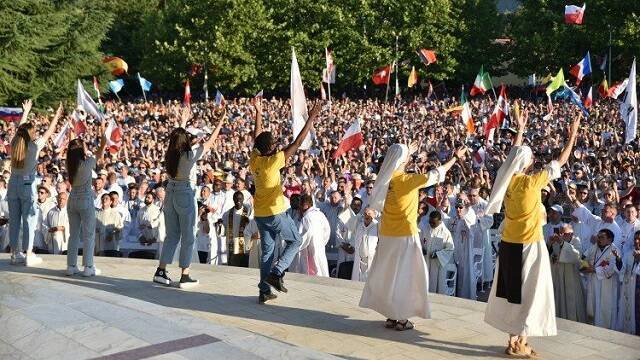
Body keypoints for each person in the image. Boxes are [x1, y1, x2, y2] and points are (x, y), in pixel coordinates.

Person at [483, 111, 579, 357]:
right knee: (531, 294)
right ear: (527, 163)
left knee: (512, 295)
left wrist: (520, 129)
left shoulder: (506, 182)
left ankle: (512, 339)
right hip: (530, 246)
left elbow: (510, 161)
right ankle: (521, 342)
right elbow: (562, 160)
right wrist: (573, 134)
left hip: (508, 245)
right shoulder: (531, 182)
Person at [360, 142, 465, 331]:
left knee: (389, 277)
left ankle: (392, 316)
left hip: (387, 236)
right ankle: (401, 319)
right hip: (405, 236)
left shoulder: (385, 180)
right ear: (403, 160)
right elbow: (436, 174)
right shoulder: (407, 180)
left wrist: (407, 154)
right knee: (407, 278)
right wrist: (455, 158)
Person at [249, 99, 319, 303]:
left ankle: (263, 290)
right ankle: (277, 272)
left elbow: (256, 137)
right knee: (295, 240)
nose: (276, 144)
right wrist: (312, 117)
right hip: (275, 212)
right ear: (270, 147)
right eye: (273, 143)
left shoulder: (255, 160)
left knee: (268, 251)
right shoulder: (273, 161)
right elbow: (297, 143)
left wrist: (258, 112)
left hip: (260, 214)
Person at [153, 106, 225, 288]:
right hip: (185, 193)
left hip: (170, 193)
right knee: (188, 236)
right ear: (185, 140)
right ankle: (185, 274)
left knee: (172, 235)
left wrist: (183, 122)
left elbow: (176, 138)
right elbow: (210, 142)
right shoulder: (188, 155)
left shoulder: (170, 154)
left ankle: (161, 271)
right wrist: (221, 121)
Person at [7, 101, 61, 265]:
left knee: (15, 220)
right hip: (26, 185)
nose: (36, 133)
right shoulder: (34, 146)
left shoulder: (15, 143)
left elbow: (19, 130)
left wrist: (26, 112)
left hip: (12, 183)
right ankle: (29, 253)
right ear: (30, 133)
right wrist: (57, 115)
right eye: (34, 131)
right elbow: (50, 131)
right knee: (29, 220)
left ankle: (15, 253)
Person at [66, 130, 107, 276]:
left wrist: (73, 137)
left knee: (74, 234)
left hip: (72, 200)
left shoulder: (69, 164)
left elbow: (72, 149)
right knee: (88, 234)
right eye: (84, 146)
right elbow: (100, 151)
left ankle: (71, 266)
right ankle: (88, 267)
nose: (86, 148)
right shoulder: (87, 163)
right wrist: (103, 141)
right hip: (85, 199)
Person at [582, 229, 622, 330]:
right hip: (593, 283)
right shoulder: (594, 247)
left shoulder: (615, 250)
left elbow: (612, 269)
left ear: (610, 239)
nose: (598, 239)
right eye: (598, 237)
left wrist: (594, 269)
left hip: (607, 285)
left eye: (602, 237)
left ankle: (606, 329)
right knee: (594, 306)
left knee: (605, 308)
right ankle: (593, 328)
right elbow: (583, 259)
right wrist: (585, 267)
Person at [549, 224, 586, 323]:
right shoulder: (557, 242)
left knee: (572, 302)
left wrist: (562, 243)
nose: (561, 235)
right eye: (560, 233)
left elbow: (576, 256)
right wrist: (550, 245)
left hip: (572, 278)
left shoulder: (576, 241)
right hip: (559, 277)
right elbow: (552, 256)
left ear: (571, 234)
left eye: (564, 233)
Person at [295, 194, 331, 277]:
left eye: (300, 205)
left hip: (309, 250)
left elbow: (302, 237)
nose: (299, 208)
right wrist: (322, 242)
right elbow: (327, 230)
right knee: (321, 269)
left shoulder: (306, 218)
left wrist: (296, 246)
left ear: (305, 205)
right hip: (320, 246)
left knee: (313, 270)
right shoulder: (320, 214)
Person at [420, 210, 455, 294]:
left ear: (439, 221)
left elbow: (450, 248)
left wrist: (438, 254)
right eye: (430, 222)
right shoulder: (425, 229)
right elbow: (419, 241)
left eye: (433, 223)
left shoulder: (445, 232)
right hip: (426, 261)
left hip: (437, 264)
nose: (431, 224)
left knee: (436, 285)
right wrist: (421, 248)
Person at [617, 230, 640, 335]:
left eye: (639, 239)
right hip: (630, 288)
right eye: (635, 239)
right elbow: (622, 270)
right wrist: (618, 260)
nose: (636, 241)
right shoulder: (628, 253)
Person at [223, 191, 251, 267]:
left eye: (240, 199)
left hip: (244, 243)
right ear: (233, 199)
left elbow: (253, 226)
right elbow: (223, 230)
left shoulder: (248, 212)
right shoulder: (227, 214)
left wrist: (248, 221)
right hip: (232, 243)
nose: (238, 201)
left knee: (244, 266)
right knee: (233, 266)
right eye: (236, 199)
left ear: (243, 199)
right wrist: (219, 224)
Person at [351, 208, 379, 282]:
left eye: (369, 214)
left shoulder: (377, 226)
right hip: (359, 260)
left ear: (374, 215)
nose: (367, 215)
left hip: (371, 260)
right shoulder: (359, 225)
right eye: (365, 214)